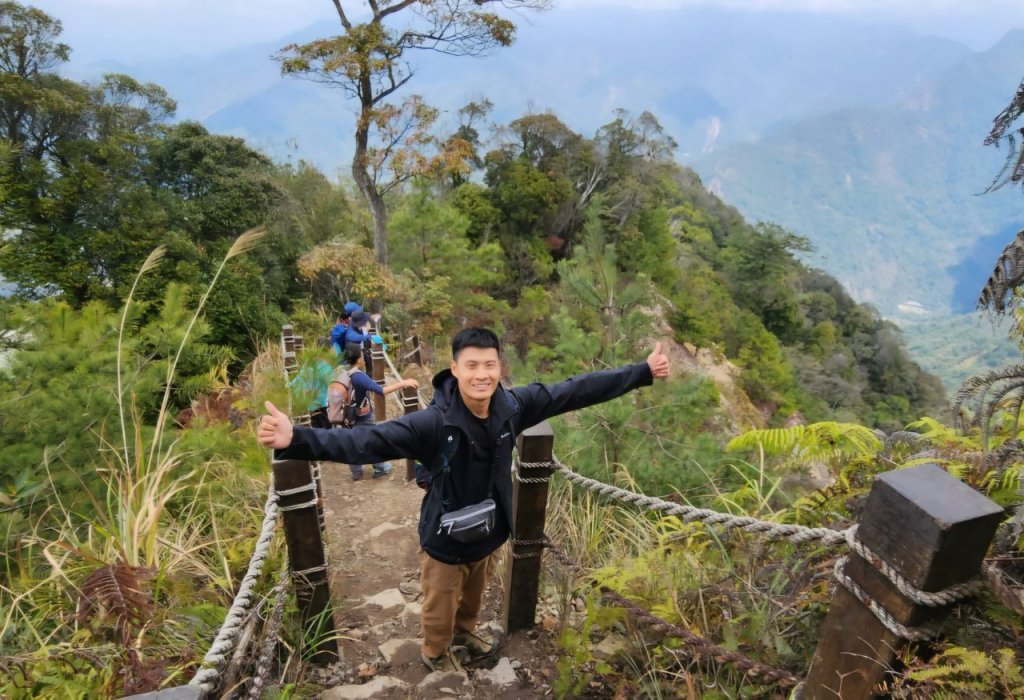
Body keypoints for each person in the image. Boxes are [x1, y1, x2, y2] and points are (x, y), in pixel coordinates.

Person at [259, 328, 670, 672]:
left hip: (489, 530)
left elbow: (575, 390)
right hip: (444, 535)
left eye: (489, 365)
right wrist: (296, 438)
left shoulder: (513, 406)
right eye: (471, 365)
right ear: (454, 369)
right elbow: (368, 440)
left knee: (473, 596)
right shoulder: (432, 423)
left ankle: (465, 633)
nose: (481, 374)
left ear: (499, 368)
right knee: (440, 603)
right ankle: (435, 653)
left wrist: (642, 371)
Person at [338, 342, 420, 480]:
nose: (364, 359)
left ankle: (356, 472)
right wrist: (403, 383)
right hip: (362, 415)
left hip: (346, 415)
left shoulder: (342, 373)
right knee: (374, 439)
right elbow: (381, 391)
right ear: (358, 359)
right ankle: (379, 468)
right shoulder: (359, 376)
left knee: (351, 441)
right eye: (362, 356)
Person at [288, 352, 335, 429]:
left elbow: (290, 386)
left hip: (307, 412)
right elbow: (334, 387)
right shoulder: (325, 368)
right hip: (321, 411)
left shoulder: (304, 369)